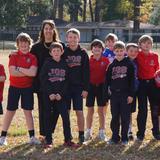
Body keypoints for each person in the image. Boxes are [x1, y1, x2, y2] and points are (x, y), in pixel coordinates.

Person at [0, 32, 40, 145]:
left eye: (25, 43)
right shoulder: (13, 55)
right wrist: (25, 71)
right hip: (14, 87)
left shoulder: (32, 57)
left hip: (27, 88)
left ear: (29, 44)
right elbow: (12, 72)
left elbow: (33, 73)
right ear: (17, 45)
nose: (23, 46)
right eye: (21, 44)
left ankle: (32, 137)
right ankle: (3, 137)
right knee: (10, 111)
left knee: (28, 111)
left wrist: (19, 68)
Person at [30, 19, 65, 140]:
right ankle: (45, 134)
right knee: (43, 108)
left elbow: (65, 61)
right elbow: (27, 57)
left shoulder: (60, 46)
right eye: (46, 28)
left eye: (50, 28)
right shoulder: (36, 47)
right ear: (43, 30)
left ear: (54, 30)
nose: (48, 31)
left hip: (58, 83)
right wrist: (14, 53)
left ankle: (50, 130)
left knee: (56, 109)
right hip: (42, 83)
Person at [40, 42, 78, 148]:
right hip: (48, 95)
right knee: (48, 117)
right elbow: (43, 79)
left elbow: (67, 81)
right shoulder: (47, 63)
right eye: (54, 51)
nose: (56, 52)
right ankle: (48, 140)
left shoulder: (65, 64)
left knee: (65, 117)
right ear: (50, 53)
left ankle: (67, 140)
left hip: (61, 96)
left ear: (62, 52)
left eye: (58, 50)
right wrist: (50, 93)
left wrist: (60, 94)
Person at [104, 41, 135, 145]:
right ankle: (115, 137)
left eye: (121, 50)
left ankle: (125, 138)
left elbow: (132, 81)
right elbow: (107, 81)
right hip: (114, 95)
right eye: (117, 51)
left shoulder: (129, 64)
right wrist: (107, 94)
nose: (119, 52)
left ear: (125, 51)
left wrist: (131, 95)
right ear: (114, 51)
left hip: (125, 94)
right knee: (115, 117)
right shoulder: (111, 65)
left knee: (125, 117)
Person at [63, 28, 90, 144]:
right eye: (70, 37)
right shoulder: (63, 51)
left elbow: (86, 72)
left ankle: (81, 135)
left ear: (79, 39)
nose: (72, 39)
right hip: (65, 87)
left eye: (75, 37)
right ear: (67, 39)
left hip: (78, 87)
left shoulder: (83, 53)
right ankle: (67, 136)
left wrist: (85, 88)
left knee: (79, 111)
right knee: (66, 112)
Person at [84, 39, 110, 141]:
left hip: (101, 88)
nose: (97, 49)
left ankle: (102, 132)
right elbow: (85, 76)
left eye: (99, 47)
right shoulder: (88, 61)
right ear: (92, 49)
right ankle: (88, 131)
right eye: (95, 47)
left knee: (101, 111)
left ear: (102, 49)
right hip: (90, 87)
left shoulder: (106, 61)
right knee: (90, 110)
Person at [136, 35, 160, 140]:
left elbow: (157, 70)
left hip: (152, 84)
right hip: (141, 84)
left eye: (149, 43)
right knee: (142, 109)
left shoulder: (154, 56)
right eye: (144, 42)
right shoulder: (137, 55)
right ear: (140, 44)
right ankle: (140, 133)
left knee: (155, 108)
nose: (147, 44)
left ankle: (156, 132)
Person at [126, 43, 139, 140]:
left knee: (130, 111)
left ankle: (129, 130)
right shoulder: (124, 61)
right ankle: (122, 130)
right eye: (131, 51)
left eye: (135, 51)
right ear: (126, 51)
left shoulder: (137, 61)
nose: (133, 53)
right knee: (122, 111)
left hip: (134, 90)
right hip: (124, 90)